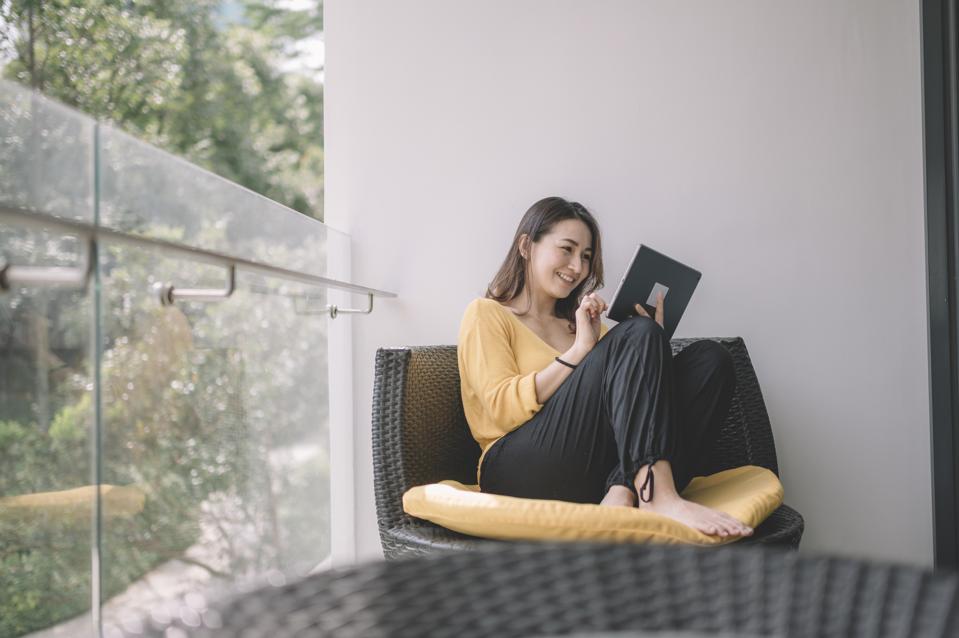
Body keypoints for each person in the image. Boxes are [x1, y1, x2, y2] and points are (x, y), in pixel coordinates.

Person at [457, 196, 752, 538]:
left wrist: (652, 338)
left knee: (710, 361)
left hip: (588, 469)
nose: (577, 267)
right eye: (566, 249)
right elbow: (501, 410)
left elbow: (641, 413)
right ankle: (656, 495)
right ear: (526, 245)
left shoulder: (583, 325)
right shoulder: (487, 313)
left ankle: (624, 490)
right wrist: (581, 350)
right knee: (636, 334)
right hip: (515, 469)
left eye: (585, 256)